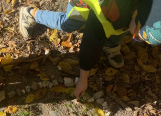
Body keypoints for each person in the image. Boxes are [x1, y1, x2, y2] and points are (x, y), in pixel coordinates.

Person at [19, 0, 161, 99]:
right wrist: (83, 79)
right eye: (137, 37)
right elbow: (92, 41)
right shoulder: (109, 11)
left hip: (123, 13)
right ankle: (30, 14)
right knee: (68, 24)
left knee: (120, 28)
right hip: (89, 3)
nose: (136, 39)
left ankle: (110, 44)